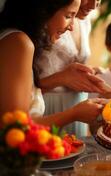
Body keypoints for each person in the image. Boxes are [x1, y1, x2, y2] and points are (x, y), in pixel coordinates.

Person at [0, 0, 105, 129]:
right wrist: (74, 114)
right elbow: (15, 129)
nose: (71, 26)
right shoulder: (19, 43)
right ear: (43, 11)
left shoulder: (15, 39)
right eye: (68, 16)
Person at [35, 0, 103, 136]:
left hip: (79, 105)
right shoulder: (41, 23)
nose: (94, 5)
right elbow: (23, 88)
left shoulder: (85, 20)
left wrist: (90, 74)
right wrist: (61, 78)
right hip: (46, 108)